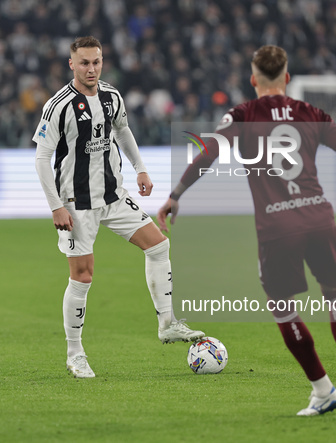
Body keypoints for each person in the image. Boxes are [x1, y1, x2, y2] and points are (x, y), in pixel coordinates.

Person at [158, 45, 336, 415]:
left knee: (284, 309)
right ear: (287, 78)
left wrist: (176, 194)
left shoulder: (242, 115)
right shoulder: (312, 114)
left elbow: (208, 153)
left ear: (253, 79)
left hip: (277, 226)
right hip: (319, 218)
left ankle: (323, 390)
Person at [33, 36, 203, 379]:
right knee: (83, 276)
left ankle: (167, 324)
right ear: (72, 64)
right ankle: (74, 353)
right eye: (84, 63)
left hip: (113, 195)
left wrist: (140, 167)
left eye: (96, 61)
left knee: (158, 245)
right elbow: (41, 157)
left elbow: (122, 130)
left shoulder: (112, 96)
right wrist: (56, 207)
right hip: (76, 203)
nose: (91, 68)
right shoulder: (59, 105)